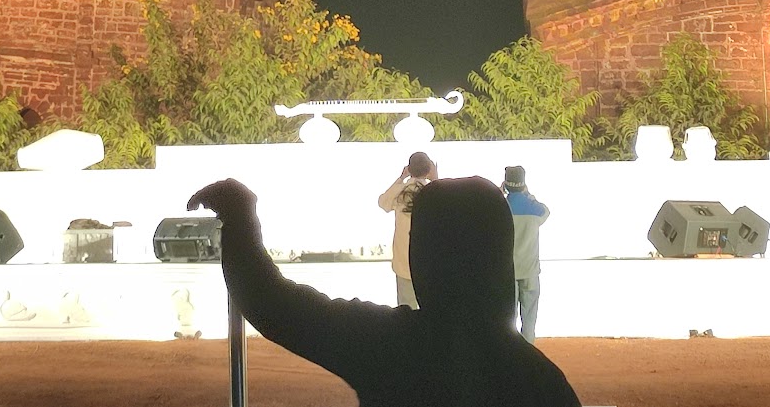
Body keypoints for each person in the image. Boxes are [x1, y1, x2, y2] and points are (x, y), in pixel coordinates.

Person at [189, 176, 579, 407]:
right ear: (500, 255)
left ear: (423, 258)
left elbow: (271, 303)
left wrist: (241, 218)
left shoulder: (390, 345)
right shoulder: (539, 380)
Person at [377, 151, 434, 307]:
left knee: (406, 307)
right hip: (428, 260)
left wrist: (401, 178)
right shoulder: (433, 191)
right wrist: (436, 179)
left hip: (403, 258)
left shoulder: (401, 190)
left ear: (409, 168)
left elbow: (383, 202)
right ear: (429, 169)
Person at [501, 165, 550, 341]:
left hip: (508, 273)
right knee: (529, 320)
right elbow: (546, 211)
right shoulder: (534, 209)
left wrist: (500, 194)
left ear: (506, 183)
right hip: (530, 270)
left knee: (508, 320)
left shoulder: (501, 207)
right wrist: (528, 194)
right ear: (523, 184)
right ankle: (529, 351)